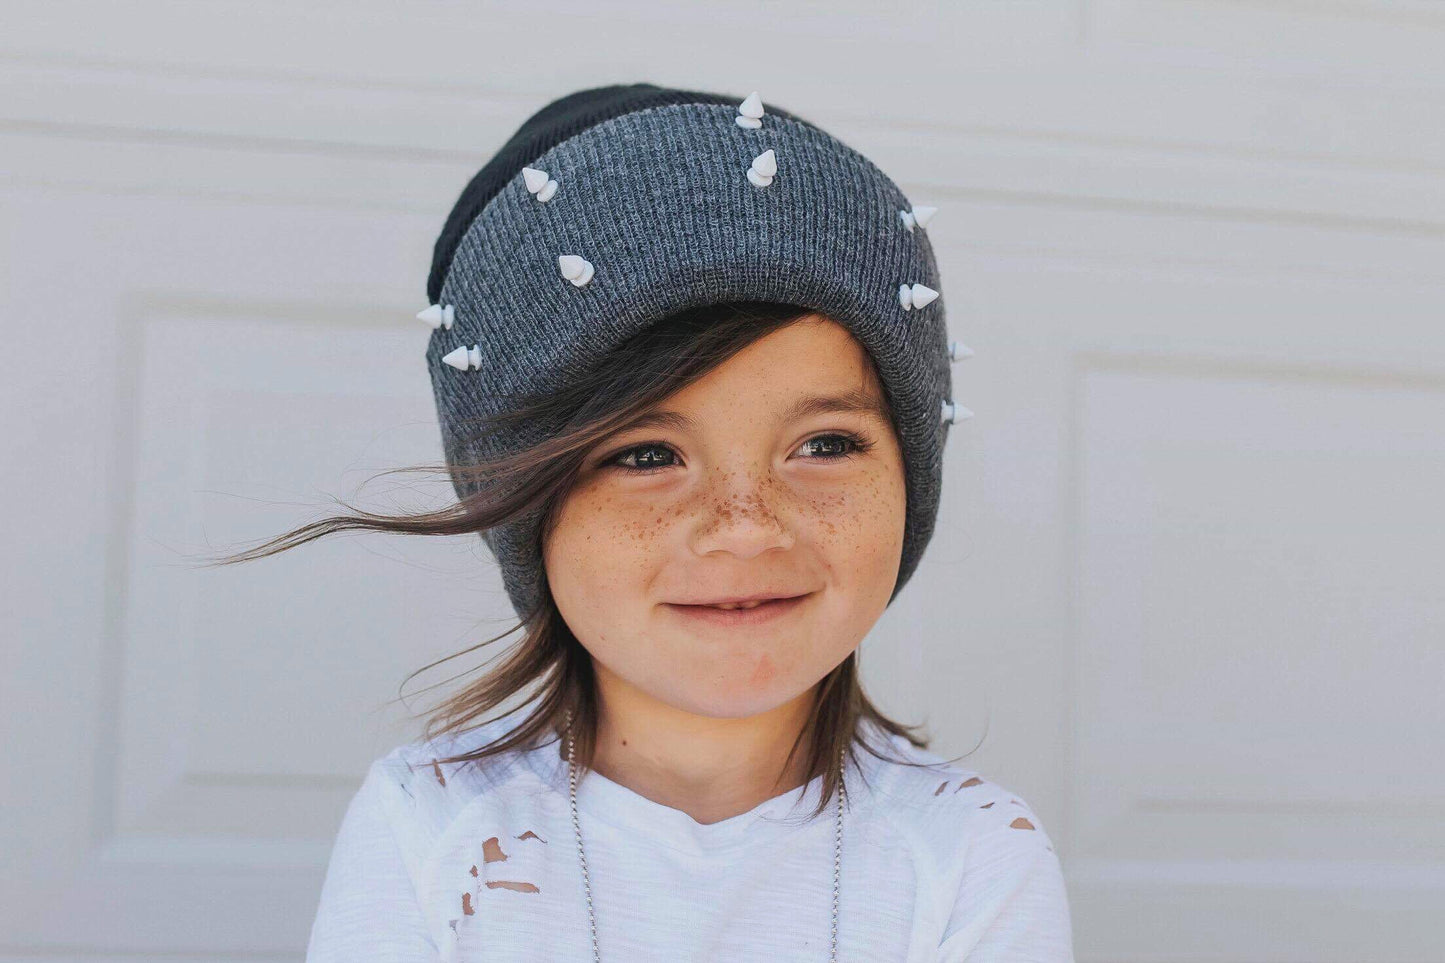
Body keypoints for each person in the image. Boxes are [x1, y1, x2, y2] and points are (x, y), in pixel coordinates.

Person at [231, 82, 1074, 961]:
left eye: (823, 444)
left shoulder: (971, 855)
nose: (745, 527)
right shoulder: (428, 827)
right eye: (645, 455)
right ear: (526, 502)